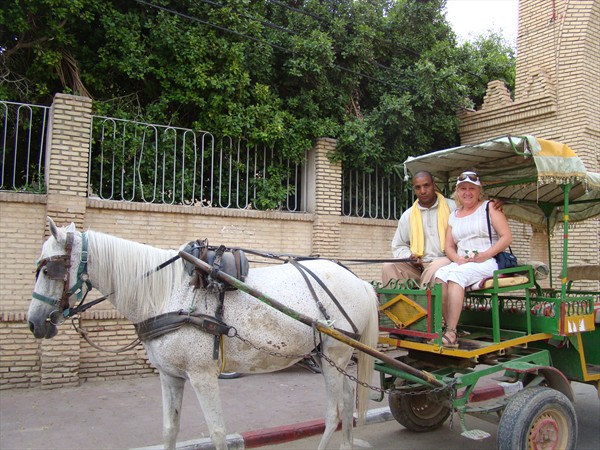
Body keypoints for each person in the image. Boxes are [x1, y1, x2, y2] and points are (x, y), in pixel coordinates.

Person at [434, 171, 512, 348]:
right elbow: (449, 246)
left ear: (479, 191)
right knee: (439, 276)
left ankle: (452, 332)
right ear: (457, 192)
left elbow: (506, 237)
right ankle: (448, 326)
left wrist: (486, 254)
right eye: (462, 189)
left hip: (487, 260)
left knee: (456, 276)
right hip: (462, 262)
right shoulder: (454, 214)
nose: (467, 192)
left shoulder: (489, 207)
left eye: (471, 188)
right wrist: (457, 259)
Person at [381, 171, 456, 287]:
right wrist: (410, 258)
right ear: (414, 189)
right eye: (418, 187)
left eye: (426, 185)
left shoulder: (453, 207)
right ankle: (399, 305)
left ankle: (423, 304)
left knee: (435, 269)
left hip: (447, 261)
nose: (423, 191)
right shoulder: (408, 215)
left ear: (434, 185)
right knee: (389, 266)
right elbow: (399, 245)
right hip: (418, 266)